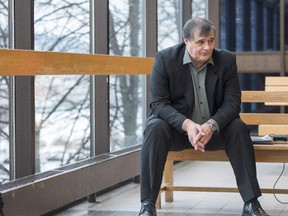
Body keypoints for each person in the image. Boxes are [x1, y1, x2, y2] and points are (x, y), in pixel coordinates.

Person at [137, 17, 270, 216]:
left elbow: (232, 103)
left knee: (238, 128)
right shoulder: (165, 60)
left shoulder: (226, 60)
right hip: (178, 132)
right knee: (155, 127)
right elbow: (158, 104)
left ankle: (251, 203)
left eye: (211, 41)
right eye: (200, 41)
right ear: (186, 41)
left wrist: (211, 125)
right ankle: (147, 205)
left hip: (214, 133)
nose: (207, 47)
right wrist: (188, 125)